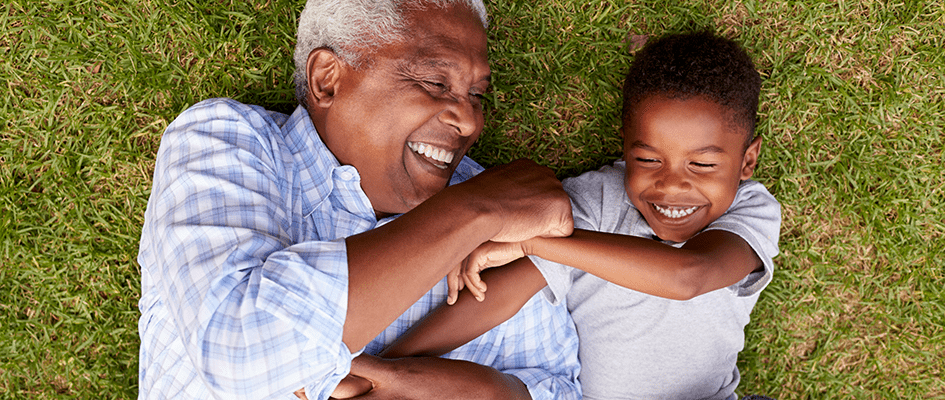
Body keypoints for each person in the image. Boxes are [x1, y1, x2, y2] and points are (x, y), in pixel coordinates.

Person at [136, 0, 582, 399]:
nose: (468, 119)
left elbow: (556, 386)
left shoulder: (499, 212)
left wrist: (465, 389)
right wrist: (472, 212)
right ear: (327, 80)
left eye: (477, 95)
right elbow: (240, 350)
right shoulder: (225, 142)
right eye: (433, 82)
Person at [379, 31, 782, 400]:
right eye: (647, 159)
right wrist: (385, 366)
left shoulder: (750, 211)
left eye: (702, 166)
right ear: (625, 149)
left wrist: (533, 240)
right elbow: (501, 295)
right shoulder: (599, 200)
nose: (671, 185)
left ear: (747, 161)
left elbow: (689, 274)